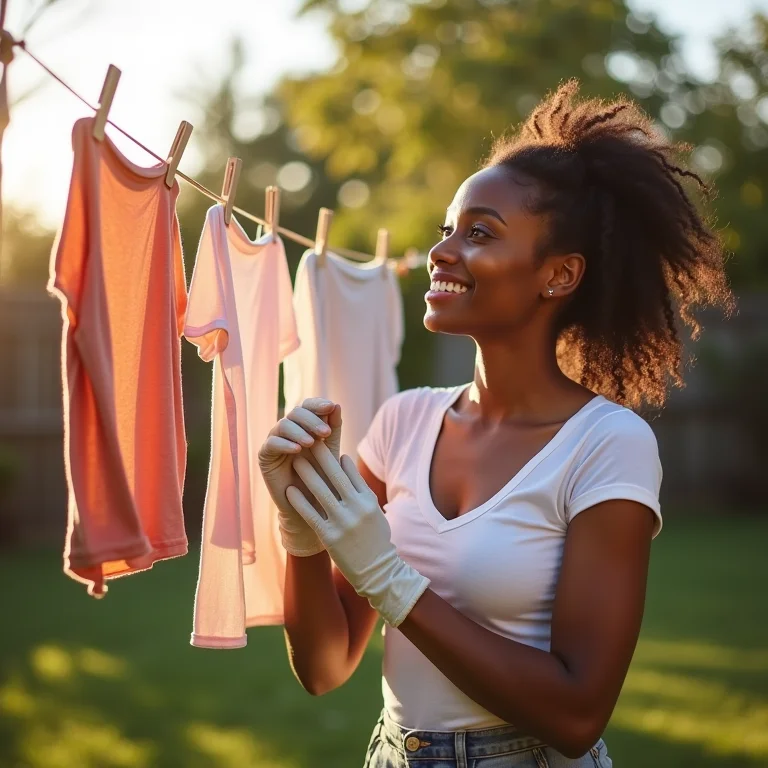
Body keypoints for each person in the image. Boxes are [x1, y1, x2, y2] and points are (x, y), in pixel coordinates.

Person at [258, 80, 733, 768]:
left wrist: (388, 577)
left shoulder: (608, 446)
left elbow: (576, 714)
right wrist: (301, 532)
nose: (443, 251)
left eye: (479, 233)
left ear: (559, 275)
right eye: (446, 230)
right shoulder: (402, 423)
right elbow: (325, 667)